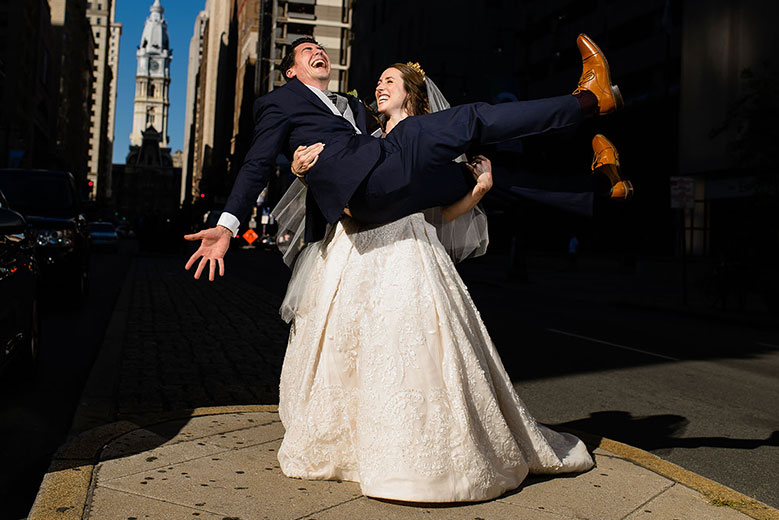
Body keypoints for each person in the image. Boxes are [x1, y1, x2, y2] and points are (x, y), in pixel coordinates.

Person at [272, 62, 594, 503]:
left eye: (390, 81)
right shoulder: (362, 143)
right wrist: (304, 169)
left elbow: (442, 215)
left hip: (406, 250)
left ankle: (590, 123)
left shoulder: (423, 137)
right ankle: (355, 450)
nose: (379, 87)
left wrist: (478, 192)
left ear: (411, 94)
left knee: (412, 351)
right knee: (349, 353)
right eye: (379, 82)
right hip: (355, 256)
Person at [184, 33, 623, 280]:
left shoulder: (354, 107)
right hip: (370, 187)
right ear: (291, 71)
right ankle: (588, 101)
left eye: (320, 47)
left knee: (485, 178)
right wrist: (228, 225)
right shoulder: (280, 103)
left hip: (388, 191)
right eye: (306, 51)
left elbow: (379, 131)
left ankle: (602, 193)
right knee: (472, 120)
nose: (318, 51)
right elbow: (258, 163)